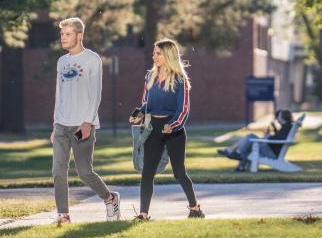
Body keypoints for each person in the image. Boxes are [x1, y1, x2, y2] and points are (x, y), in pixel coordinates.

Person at [50, 17, 120, 225]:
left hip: (82, 125)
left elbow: (96, 93)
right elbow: (58, 94)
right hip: (62, 124)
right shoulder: (61, 61)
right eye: (62, 34)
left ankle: (110, 198)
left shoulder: (92, 59)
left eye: (68, 34)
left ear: (79, 36)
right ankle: (63, 215)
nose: (63, 38)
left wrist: (88, 122)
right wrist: (55, 124)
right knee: (57, 171)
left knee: (85, 172)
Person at [129, 39, 204, 220]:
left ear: (168, 55)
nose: (153, 56)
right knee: (147, 173)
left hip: (174, 132)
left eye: (158, 53)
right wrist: (138, 114)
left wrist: (174, 125)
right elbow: (147, 103)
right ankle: (143, 214)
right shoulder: (150, 76)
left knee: (179, 173)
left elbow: (183, 108)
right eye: (154, 53)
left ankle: (195, 208)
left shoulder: (180, 79)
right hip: (153, 129)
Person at [217, 109, 294, 171]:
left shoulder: (286, 127)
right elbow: (279, 137)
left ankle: (235, 152)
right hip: (271, 150)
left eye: (279, 116)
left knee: (250, 136)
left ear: (283, 117)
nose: (277, 118)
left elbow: (278, 140)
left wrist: (267, 137)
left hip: (272, 153)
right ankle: (240, 166)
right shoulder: (287, 126)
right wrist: (271, 132)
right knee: (249, 143)